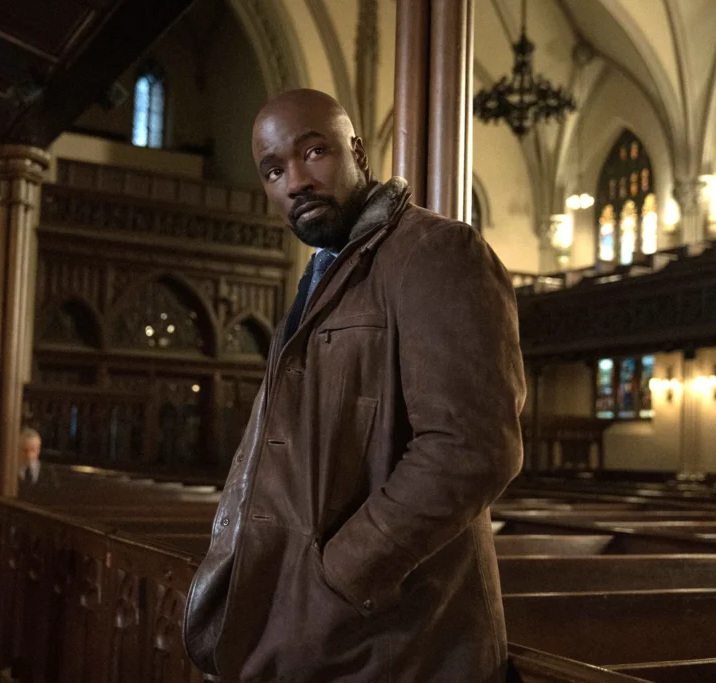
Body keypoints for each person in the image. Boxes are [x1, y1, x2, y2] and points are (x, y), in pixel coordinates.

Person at [183, 89, 525, 682]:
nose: (295, 181)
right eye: (273, 170)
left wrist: (336, 576)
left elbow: (472, 449)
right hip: (320, 629)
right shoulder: (323, 273)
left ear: (357, 152)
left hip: (400, 639)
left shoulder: (435, 250)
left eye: (313, 151)